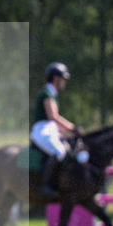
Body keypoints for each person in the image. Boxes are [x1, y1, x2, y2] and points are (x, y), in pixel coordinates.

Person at [30, 62, 80, 197]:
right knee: (59, 151)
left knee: (68, 147)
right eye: (63, 79)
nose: (65, 82)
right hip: (42, 131)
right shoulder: (47, 93)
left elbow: (55, 123)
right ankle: (45, 185)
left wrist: (70, 132)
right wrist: (72, 127)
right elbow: (53, 116)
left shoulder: (51, 93)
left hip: (49, 129)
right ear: (56, 78)